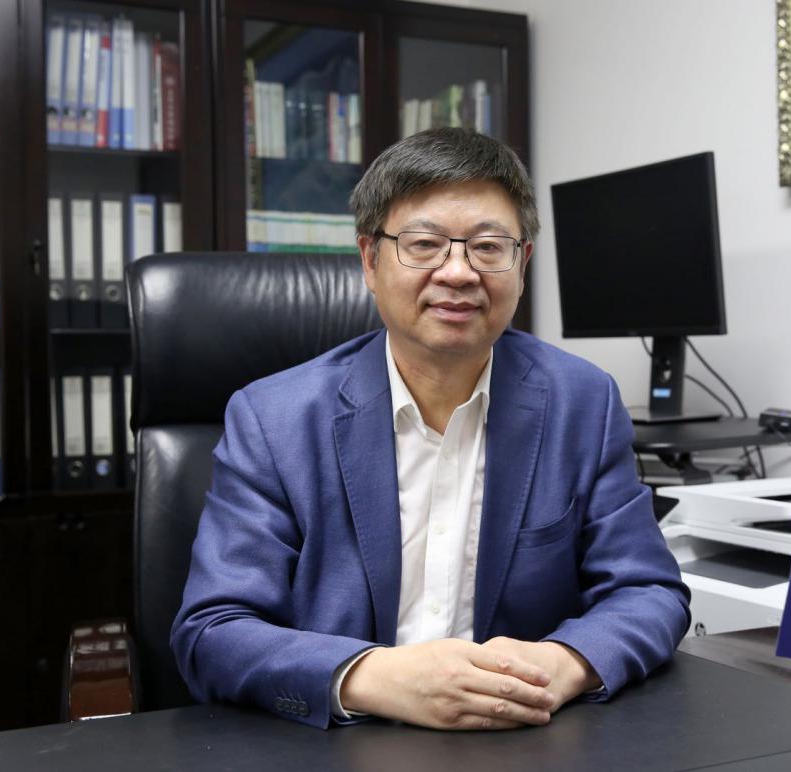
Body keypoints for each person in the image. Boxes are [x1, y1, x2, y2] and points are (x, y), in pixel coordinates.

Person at [171, 127, 690, 731]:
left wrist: (562, 662)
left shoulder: (583, 402)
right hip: (338, 743)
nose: (459, 272)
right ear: (370, 260)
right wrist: (375, 678)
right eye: (424, 244)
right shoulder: (273, 418)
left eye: (488, 247)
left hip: (520, 738)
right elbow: (213, 631)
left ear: (522, 263)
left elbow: (649, 591)